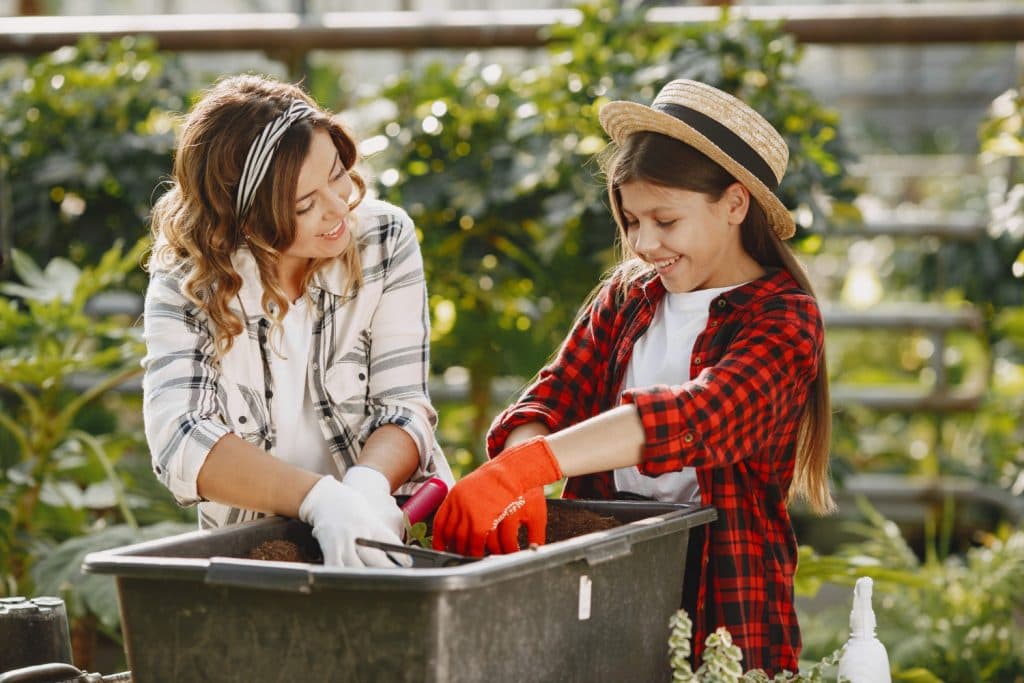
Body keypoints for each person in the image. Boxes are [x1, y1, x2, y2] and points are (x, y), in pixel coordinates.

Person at [432, 79, 834, 674]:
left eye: (665, 221)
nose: (644, 243)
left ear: (734, 204)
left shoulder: (784, 319)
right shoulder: (628, 298)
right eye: (632, 220)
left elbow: (700, 416)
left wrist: (531, 466)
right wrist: (516, 472)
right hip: (602, 587)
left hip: (725, 599)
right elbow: (552, 395)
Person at [142, 74, 452, 568]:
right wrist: (321, 501)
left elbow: (403, 406)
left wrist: (367, 488)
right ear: (245, 220)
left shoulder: (384, 238)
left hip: (389, 541)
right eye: (304, 205)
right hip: (265, 561)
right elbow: (180, 438)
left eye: (336, 173)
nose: (338, 209)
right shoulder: (191, 279)